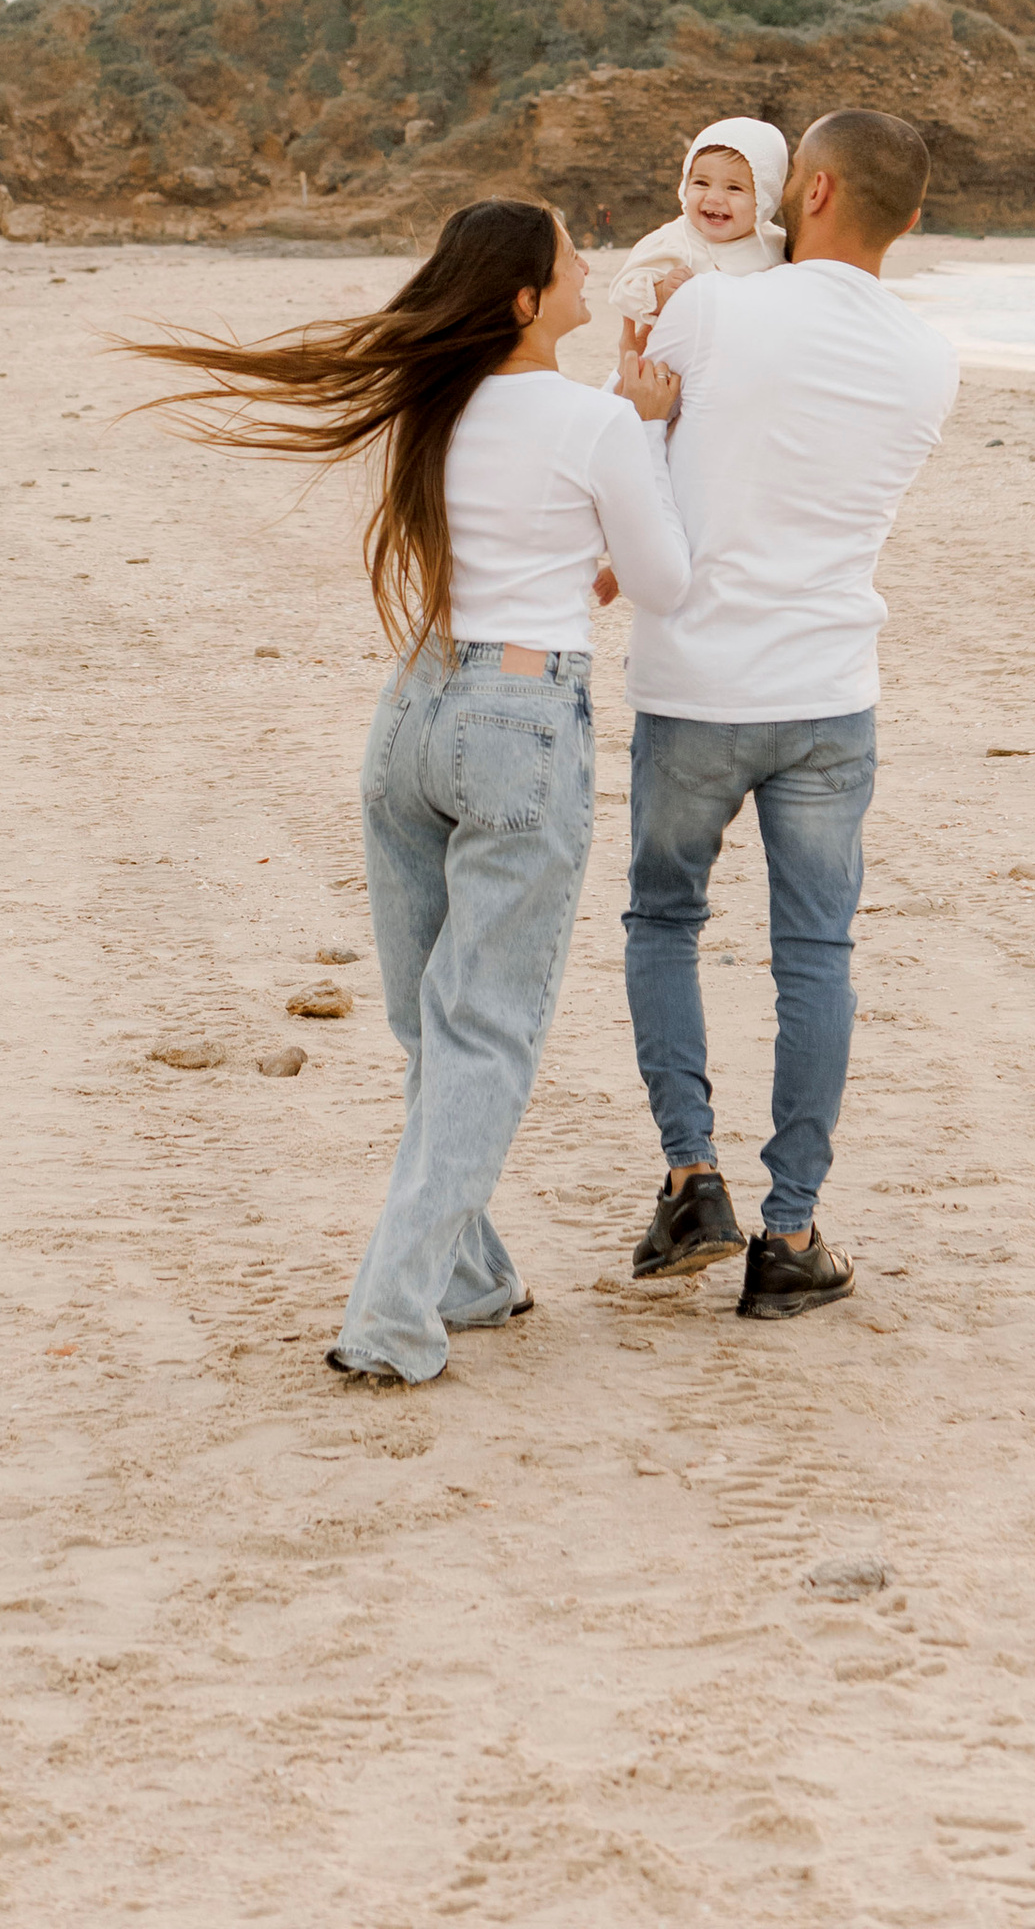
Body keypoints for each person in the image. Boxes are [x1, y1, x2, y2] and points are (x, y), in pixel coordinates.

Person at [127, 200, 688, 1386]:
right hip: (519, 723)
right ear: (528, 299)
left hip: (414, 711)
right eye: (569, 251)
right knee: (482, 1029)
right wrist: (647, 436)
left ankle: (470, 1276)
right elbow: (664, 584)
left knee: (428, 1020)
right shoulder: (595, 423)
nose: (590, 262)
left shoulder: (435, 406)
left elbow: (519, 555)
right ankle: (390, 1313)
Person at [615, 108, 958, 1321]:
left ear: (800, 191)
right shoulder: (931, 361)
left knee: (665, 919)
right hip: (827, 692)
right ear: (907, 219)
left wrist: (635, 403)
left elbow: (641, 448)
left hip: (696, 680)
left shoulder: (712, 310)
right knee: (815, 955)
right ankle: (791, 1232)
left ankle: (692, 1177)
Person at [607, 117, 790, 328]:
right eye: (701, 183)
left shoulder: (777, 245)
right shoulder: (672, 240)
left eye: (734, 188)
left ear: (765, 198)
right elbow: (623, 291)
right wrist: (662, 292)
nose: (714, 197)